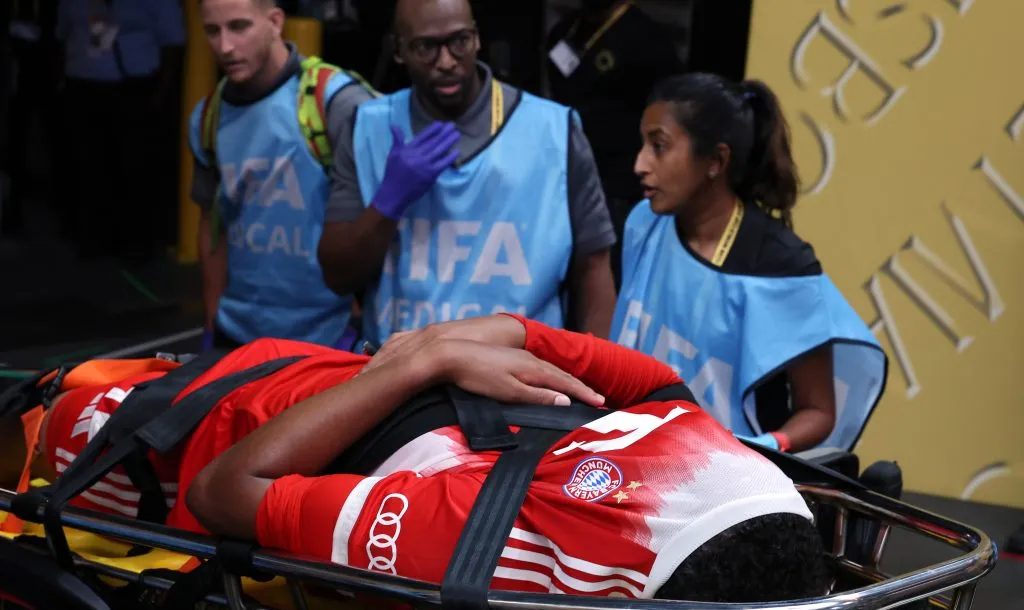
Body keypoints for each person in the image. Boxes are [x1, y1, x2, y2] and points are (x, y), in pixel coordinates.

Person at [1, 315, 828, 610]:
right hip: (299, 379)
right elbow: (515, 329)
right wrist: (429, 353)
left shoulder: (487, 530)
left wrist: (428, 361)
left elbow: (220, 489)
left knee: (41, 427)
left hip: (196, 429)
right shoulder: (673, 420)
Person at [316, 0, 619, 349]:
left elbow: (593, 266)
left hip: (524, 378)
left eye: (459, 41)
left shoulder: (554, 129)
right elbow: (337, 276)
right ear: (399, 52)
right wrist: (389, 201)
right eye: (425, 47)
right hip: (399, 376)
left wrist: (596, 375)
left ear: (477, 39)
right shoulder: (367, 127)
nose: (446, 62)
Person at [610, 73, 888, 454]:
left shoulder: (781, 263)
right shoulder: (643, 223)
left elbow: (819, 411)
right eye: (643, 144)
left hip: (733, 481)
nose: (640, 164)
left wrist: (759, 448)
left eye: (658, 146)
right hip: (630, 454)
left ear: (715, 161)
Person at [188, 0, 377, 351]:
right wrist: (213, 323)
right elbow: (211, 224)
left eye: (239, 27)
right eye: (212, 31)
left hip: (328, 337)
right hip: (238, 338)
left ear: (275, 22)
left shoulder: (335, 103)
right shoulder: (207, 119)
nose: (225, 46)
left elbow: (382, 218)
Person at [545, 0, 683, 287]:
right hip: (564, 173)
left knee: (606, 271)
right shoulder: (568, 29)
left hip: (618, 185)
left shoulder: (649, 41)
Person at [56, 0, 185, 263]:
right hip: (83, 85)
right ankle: (93, 238)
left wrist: (159, 96)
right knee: (88, 165)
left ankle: (134, 243)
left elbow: (173, 43)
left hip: (132, 87)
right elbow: (63, 33)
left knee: (132, 167)